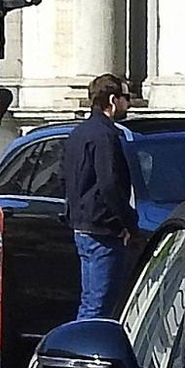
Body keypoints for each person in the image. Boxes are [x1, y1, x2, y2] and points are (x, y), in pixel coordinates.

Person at [62, 74, 137, 320]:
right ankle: (85, 353)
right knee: (99, 305)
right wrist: (128, 222)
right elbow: (110, 183)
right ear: (113, 101)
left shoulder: (79, 133)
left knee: (91, 299)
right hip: (102, 230)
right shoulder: (105, 136)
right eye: (126, 98)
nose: (130, 104)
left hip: (83, 225)